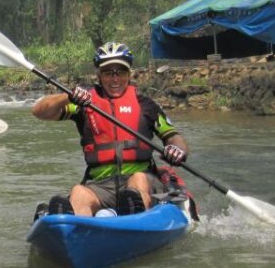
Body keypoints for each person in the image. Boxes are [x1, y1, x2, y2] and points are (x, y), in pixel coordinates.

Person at [31, 42, 188, 216]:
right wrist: (67, 97)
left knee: (137, 182)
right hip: (100, 183)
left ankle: (134, 218)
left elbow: (173, 136)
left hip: (140, 178)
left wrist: (177, 149)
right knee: (79, 192)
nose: (115, 79)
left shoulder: (146, 106)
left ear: (129, 74)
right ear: (99, 76)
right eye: (108, 73)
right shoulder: (84, 103)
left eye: (120, 72)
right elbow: (39, 111)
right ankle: (77, 231)